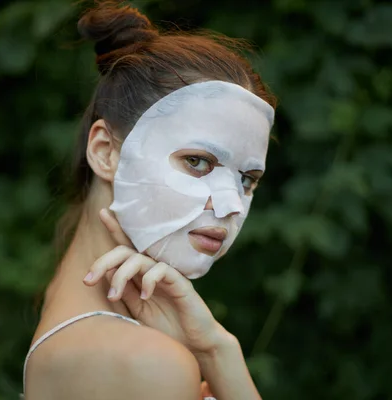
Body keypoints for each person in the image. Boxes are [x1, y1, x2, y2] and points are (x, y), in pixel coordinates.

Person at [22, 1, 276, 399]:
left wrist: (217, 350)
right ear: (105, 151)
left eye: (247, 179)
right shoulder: (142, 360)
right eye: (197, 162)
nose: (232, 205)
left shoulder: (82, 323)